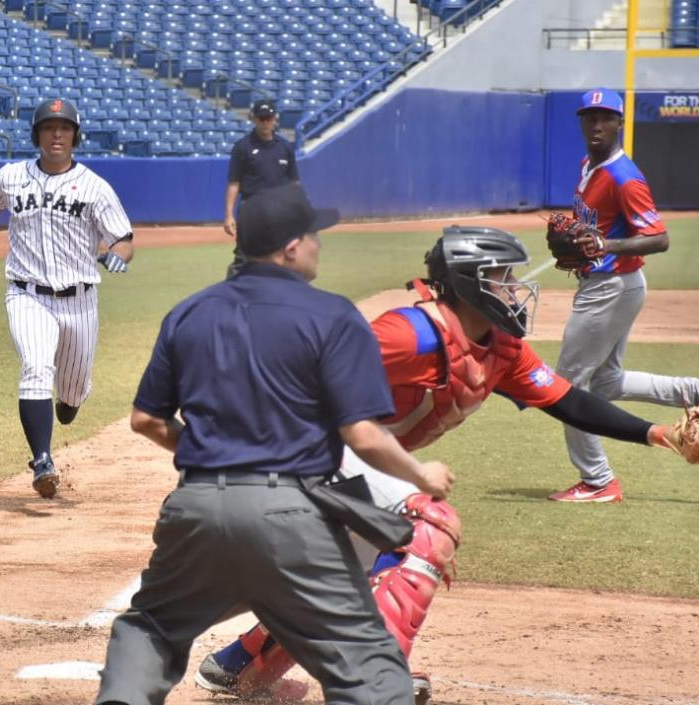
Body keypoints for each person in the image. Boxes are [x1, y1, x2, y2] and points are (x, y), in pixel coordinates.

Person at [194, 225, 693, 704]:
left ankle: (237, 668)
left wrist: (660, 434)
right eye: (504, 276)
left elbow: (569, 402)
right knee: (427, 525)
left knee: (345, 578)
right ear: (469, 281)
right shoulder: (410, 333)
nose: (517, 288)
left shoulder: (501, 350)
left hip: (349, 463)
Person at [94, 182, 455, 705]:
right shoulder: (332, 315)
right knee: (369, 665)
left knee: (149, 627)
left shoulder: (189, 312)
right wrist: (422, 477)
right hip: (292, 513)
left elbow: (147, 421)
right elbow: (362, 435)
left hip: (194, 507)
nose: (319, 245)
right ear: (288, 246)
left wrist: (215, 455)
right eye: (313, 235)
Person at [0, 97, 134, 499]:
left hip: (80, 301)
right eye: (50, 128)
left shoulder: (94, 186)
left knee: (70, 393)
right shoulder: (12, 176)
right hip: (27, 293)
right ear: (37, 135)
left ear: (74, 136)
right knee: (36, 366)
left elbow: (123, 238)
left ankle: (68, 402)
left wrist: (118, 255)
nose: (57, 134)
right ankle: (42, 460)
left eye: (64, 128)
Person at [549, 87, 699, 503]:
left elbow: (659, 239)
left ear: (620, 123)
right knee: (607, 381)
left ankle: (598, 481)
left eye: (606, 117)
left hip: (611, 287)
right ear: (582, 122)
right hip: (608, 285)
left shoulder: (624, 177)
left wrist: (606, 246)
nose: (597, 125)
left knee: (568, 385)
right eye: (590, 117)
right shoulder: (589, 164)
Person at [222, 98, 299, 277]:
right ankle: (231, 297)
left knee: (281, 256)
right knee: (244, 258)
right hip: (251, 210)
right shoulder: (242, 147)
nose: (265, 122)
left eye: (268, 118)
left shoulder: (285, 148)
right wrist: (228, 215)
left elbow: (294, 182)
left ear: (275, 119)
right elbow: (234, 183)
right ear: (254, 119)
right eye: (261, 118)